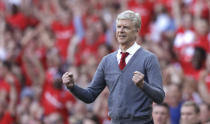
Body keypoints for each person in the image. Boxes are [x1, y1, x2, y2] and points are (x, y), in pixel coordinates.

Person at [62, 10, 165, 124]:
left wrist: (143, 86)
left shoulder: (149, 58)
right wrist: (72, 87)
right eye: (118, 27)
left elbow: (159, 97)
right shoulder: (107, 61)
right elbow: (90, 95)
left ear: (136, 31)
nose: (120, 31)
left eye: (125, 27)